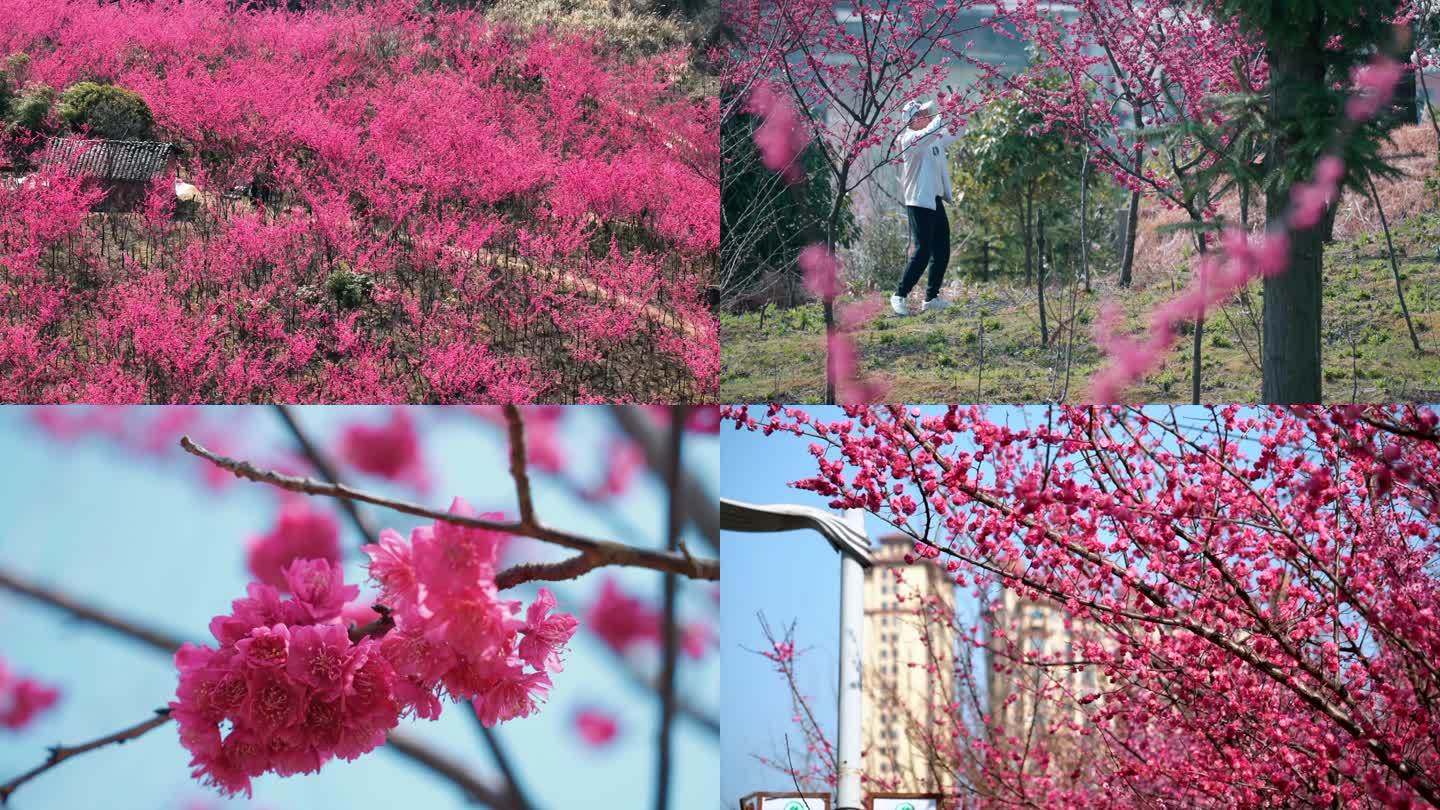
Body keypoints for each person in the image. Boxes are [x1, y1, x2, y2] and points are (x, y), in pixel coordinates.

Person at [891, 98, 959, 317]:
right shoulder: (910, 139)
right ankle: (899, 295)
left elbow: (957, 132)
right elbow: (930, 133)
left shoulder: (931, 138)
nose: (927, 114)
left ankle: (931, 299)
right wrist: (945, 114)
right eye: (922, 113)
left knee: (942, 251)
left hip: (934, 200)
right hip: (919, 202)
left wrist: (960, 112)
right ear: (913, 120)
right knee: (922, 252)